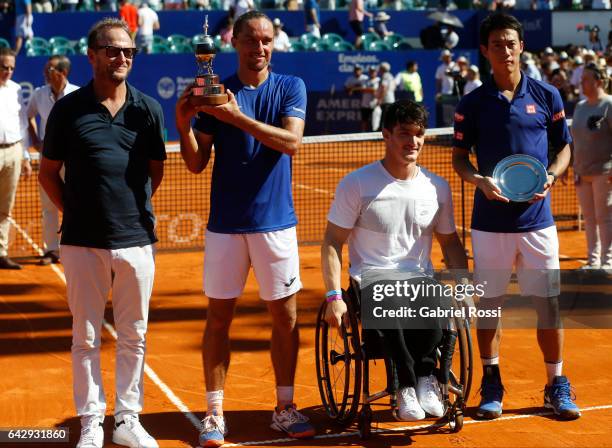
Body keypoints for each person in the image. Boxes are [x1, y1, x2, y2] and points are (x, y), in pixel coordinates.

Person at [174, 11, 315, 447]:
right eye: (251, 40)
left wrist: (234, 116)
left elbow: (291, 143)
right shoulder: (214, 92)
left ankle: (284, 407)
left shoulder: (290, 87)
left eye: (267, 40)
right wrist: (182, 122)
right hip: (225, 227)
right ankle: (214, 413)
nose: (260, 48)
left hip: (276, 226)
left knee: (285, 318)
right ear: (233, 42)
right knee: (219, 319)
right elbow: (197, 162)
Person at [39, 18, 165, 448]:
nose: (122, 57)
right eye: (112, 50)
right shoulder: (67, 109)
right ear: (92, 56)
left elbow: (155, 172)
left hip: (136, 241)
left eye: (128, 51)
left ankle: (127, 419)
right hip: (80, 242)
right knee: (86, 336)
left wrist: (129, 212)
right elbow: (48, 173)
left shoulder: (148, 109)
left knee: (135, 334)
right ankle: (91, 421)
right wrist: (74, 210)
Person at [452, 13, 580, 422]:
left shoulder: (547, 95)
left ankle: (555, 384)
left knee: (549, 305)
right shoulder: (471, 103)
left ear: (521, 46)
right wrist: (478, 180)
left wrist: (553, 174)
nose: (504, 51)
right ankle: (492, 381)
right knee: (489, 306)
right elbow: (459, 158)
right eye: (496, 44)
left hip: (538, 222)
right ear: (485, 51)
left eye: (510, 43)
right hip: (489, 223)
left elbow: (564, 148)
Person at [321, 99, 468, 421]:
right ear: (386, 134)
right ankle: (403, 385)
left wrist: (466, 284)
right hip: (369, 279)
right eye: (403, 133)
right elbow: (332, 242)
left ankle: (427, 377)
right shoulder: (357, 183)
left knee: (438, 301)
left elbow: (450, 242)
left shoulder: (437, 187)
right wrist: (334, 296)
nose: (412, 142)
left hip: (418, 278)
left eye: (418, 134)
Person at [27, 55, 79, 266]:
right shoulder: (39, 94)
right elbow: (29, 115)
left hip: (74, 159)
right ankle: (51, 250)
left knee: (75, 203)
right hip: (48, 159)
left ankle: (75, 246)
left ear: (62, 73)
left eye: (49, 70)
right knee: (48, 206)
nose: (44, 74)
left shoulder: (78, 94)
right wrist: (35, 140)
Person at [571, 63, 612, 271]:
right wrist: (571, 165)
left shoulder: (609, 105)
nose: (581, 83)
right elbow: (575, 139)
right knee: (589, 218)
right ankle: (593, 261)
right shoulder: (580, 106)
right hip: (581, 172)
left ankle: (608, 261)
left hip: (604, 172)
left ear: (597, 81)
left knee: (604, 218)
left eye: (585, 79)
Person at [0, 47, 31, 270]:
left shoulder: (16, 89)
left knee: (5, 207)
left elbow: (22, 123)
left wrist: (26, 156)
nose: (8, 71)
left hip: (14, 151)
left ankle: (1, 253)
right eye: (4, 67)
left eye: (12, 68)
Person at [375, 61, 396, 131]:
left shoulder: (385, 75)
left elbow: (384, 88)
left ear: (383, 69)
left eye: (380, 68)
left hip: (387, 100)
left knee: (385, 116)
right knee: (386, 116)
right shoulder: (390, 75)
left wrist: (380, 99)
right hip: (389, 99)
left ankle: (382, 130)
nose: (379, 70)